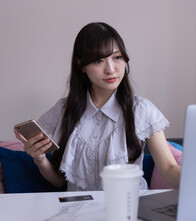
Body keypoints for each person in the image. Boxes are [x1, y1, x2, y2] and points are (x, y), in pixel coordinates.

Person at [14, 22, 181, 191]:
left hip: (129, 209)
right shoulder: (65, 110)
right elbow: (58, 181)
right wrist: (40, 159)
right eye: (98, 60)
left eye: (117, 57)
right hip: (77, 211)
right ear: (82, 66)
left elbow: (169, 170)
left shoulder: (142, 111)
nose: (111, 69)